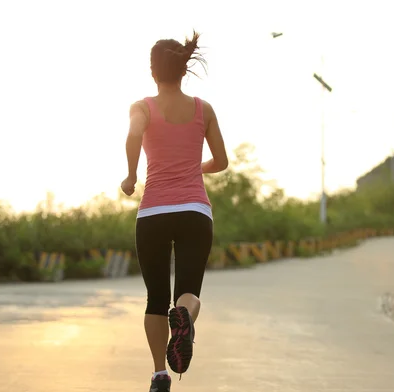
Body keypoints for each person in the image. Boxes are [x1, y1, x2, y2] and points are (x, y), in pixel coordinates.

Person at [120, 31, 229, 392]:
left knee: (155, 296)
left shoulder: (143, 107)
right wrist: (192, 168)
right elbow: (223, 162)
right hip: (195, 211)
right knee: (188, 290)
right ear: (183, 71)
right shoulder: (204, 109)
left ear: (153, 71)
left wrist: (132, 174)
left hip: (153, 212)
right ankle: (184, 320)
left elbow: (134, 135)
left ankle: (159, 375)